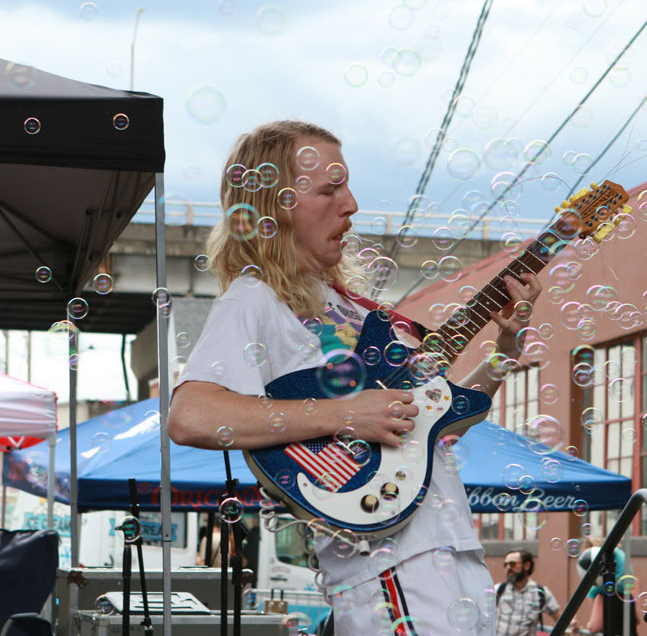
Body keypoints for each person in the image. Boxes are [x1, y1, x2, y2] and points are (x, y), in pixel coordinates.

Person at [168, 120, 542, 635]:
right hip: (388, 564)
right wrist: (345, 413)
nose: (351, 204)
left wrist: (505, 347)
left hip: (453, 550)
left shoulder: (355, 309)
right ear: (275, 207)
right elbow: (191, 415)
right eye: (329, 190)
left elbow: (435, 420)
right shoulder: (255, 299)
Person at [570, 537, 638, 636]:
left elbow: (594, 627)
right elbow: (637, 620)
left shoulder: (603, 596)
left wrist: (585, 627)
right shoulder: (628, 596)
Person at [495, 549, 560, 636]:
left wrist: (571, 624)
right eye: (505, 565)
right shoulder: (498, 589)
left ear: (526, 566)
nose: (508, 567)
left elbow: (560, 618)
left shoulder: (540, 592)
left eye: (512, 564)